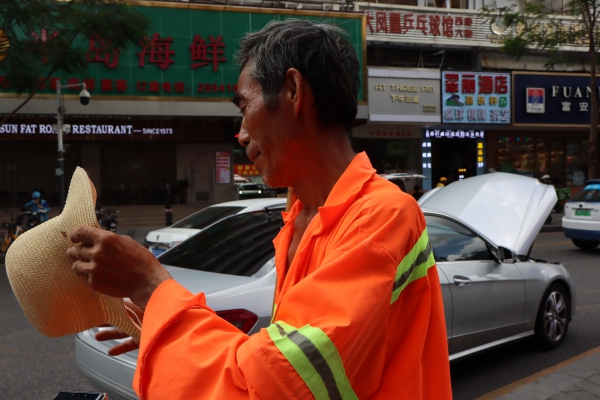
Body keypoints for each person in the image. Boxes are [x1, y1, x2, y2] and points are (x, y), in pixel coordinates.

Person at [66, 20, 452, 399]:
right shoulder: (301, 217)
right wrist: (166, 323)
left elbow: (280, 384)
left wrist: (151, 286)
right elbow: (276, 355)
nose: (240, 134)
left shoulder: (382, 215)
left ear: (293, 90)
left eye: (245, 106)